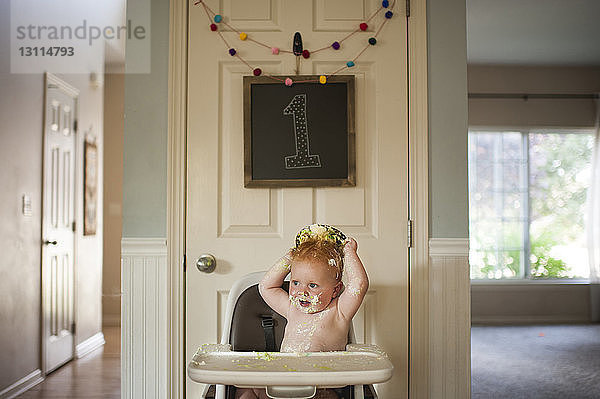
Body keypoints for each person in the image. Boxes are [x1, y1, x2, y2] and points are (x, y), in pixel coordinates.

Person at [235, 224, 369, 399]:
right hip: (282, 384)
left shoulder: (339, 312)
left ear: (336, 290)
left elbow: (359, 284)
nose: (302, 292)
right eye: (296, 282)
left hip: (321, 389)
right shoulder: (292, 309)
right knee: (246, 390)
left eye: (312, 285)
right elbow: (266, 287)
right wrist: (289, 258)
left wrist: (349, 252)